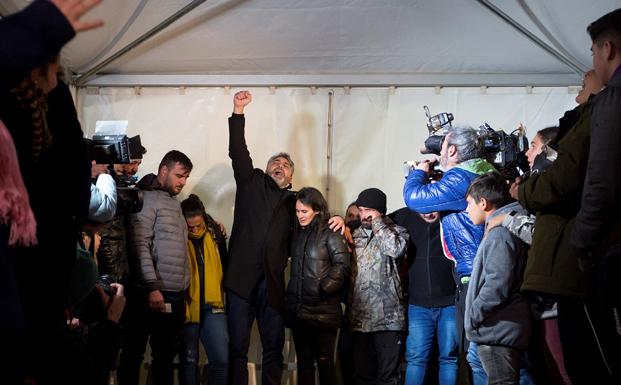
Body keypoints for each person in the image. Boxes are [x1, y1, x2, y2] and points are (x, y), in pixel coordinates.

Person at [225, 91, 344, 385]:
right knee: (237, 349)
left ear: (291, 177)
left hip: (273, 286)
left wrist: (341, 219)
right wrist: (238, 112)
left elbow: (315, 222)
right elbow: (238, 151)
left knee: (273, 350)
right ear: (266, 170)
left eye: (286, 165)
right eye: (275, 163)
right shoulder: (251, 183)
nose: (280, 166)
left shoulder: (295, 203)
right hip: (240, 281)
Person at [403, 125, 496, 382]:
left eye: (443, 147)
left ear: (452, 150)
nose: (440, 152)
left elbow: (413, 197)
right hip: (482, 269)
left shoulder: (459, 177)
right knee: (481, 355)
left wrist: (417, 174)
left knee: (481, 357)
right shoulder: (483, 171)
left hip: (476, 273)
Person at [571, 8, 621, 384]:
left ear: (608, 49)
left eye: (591, 52)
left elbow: (600, 183)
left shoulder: (612, 101)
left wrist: (583, 245)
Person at [118, 150, 193, 385]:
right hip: (149, 294)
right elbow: (140, 244)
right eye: (179, 175)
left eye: (186, 177)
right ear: (164, 171)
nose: (183, 182)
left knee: (165, 357)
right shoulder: (146, 198)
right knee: (134, 352)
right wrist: (152, 287)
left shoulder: (174, 203)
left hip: (174, 294)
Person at [464, 173, 531, 385]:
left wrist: (474, 314)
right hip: (492, 329)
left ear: (483, 203)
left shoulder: (499, 234)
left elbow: (497, 283)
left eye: (469, 204)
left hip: (496, 330)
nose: (467, 210)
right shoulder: (497, 230)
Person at [285, 187, 351, 385]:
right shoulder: (297, 233)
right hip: (299, 311)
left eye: (304, 211)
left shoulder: (331, 231)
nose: (300, 216)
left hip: (323, 311)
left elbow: (342, 265)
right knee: (304, 364)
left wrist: (324, 288)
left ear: (317, 210)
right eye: (297, 211)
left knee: (324, 363)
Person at [390, 208, 458, 385]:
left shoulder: (453, 213)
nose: (429, 212)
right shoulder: (404, 215)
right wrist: (342, 220)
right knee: (416, 359)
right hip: (418, 304)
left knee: (449, 358)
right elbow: (375, 218)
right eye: (424, 209)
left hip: (450, 301)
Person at [349, 188, 408, 385]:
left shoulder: (397, 232)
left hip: (389, 320)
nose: (364, 214)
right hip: (360, 319)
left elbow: (395, 250)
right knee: (361, 377)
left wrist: (377, 224)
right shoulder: (353, 234)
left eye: (369, 210)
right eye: (361, 209)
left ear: (380, 211)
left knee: (388, 378)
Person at [179, 194, 229, 385]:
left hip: (213, 303)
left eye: (199, 225)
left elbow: (225, 264)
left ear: (203, 218)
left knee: (220, 359)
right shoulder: (177, 237)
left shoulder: (214, 233)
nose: (195, 230)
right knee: (189, 360)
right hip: (187, 304)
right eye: (190, 227)